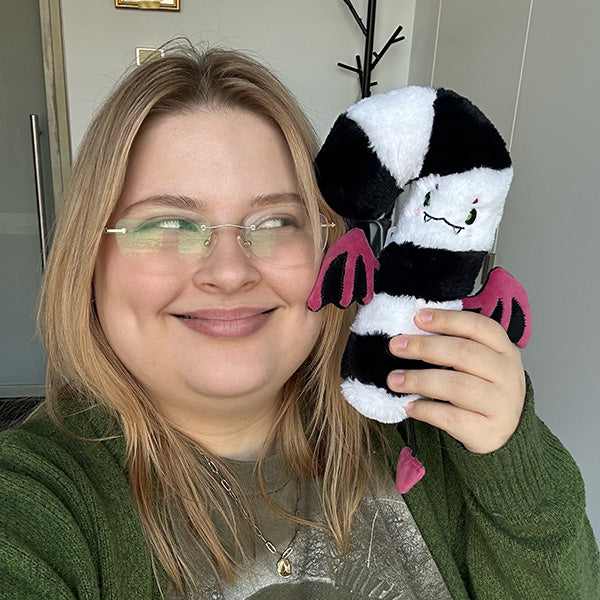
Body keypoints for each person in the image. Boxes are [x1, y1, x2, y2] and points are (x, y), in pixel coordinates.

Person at [0, 43, 598, 600]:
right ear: (90, 259)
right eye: (170, 225)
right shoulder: (37, 499)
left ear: (330, 248)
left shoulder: (422, 426)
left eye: (276, 222)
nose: (229, 272)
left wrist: (507, 453)